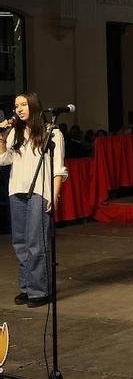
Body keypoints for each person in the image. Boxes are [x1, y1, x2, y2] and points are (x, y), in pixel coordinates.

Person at [0, 92, 67, 308]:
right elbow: (4, 160)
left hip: (40, 191)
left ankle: (40, 290)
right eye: (16, 105)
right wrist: (2, 137)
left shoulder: (52, 132)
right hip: (16, 191)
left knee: (36, 242)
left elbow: (58, 168)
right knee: (20, 242)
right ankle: (26, 287)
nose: (18, 109)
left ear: (34, 106)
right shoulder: (15, 133)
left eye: (23, 105)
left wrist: (54, 194)